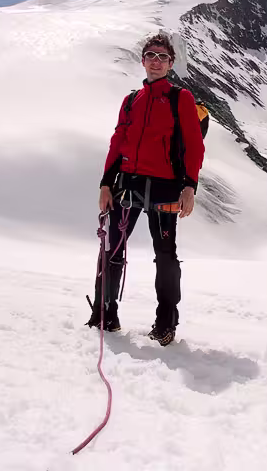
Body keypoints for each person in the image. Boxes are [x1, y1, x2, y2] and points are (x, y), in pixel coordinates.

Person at [87, 33, 206, 346]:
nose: (155, 61)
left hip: (167, 187)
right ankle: (105, 313)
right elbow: (118, 144)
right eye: (150, 55)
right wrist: (105, 183)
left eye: (162, 57)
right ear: (142, 60)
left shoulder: (180, 97)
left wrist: (189, 186)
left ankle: (166, 322)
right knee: (112, 250)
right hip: (127, 184)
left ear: (170, 63)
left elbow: (193, 146)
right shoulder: (130, 101)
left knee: (165, 255)